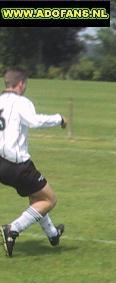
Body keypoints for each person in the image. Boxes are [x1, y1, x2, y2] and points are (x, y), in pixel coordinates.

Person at [0, 68, 66, 257]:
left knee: (36, 199)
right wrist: (59, 119)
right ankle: (12, 229)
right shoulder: (22, 102)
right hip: (17, 165)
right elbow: (34, 121)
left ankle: (53, 235)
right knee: (49, 199)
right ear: (21, 83)